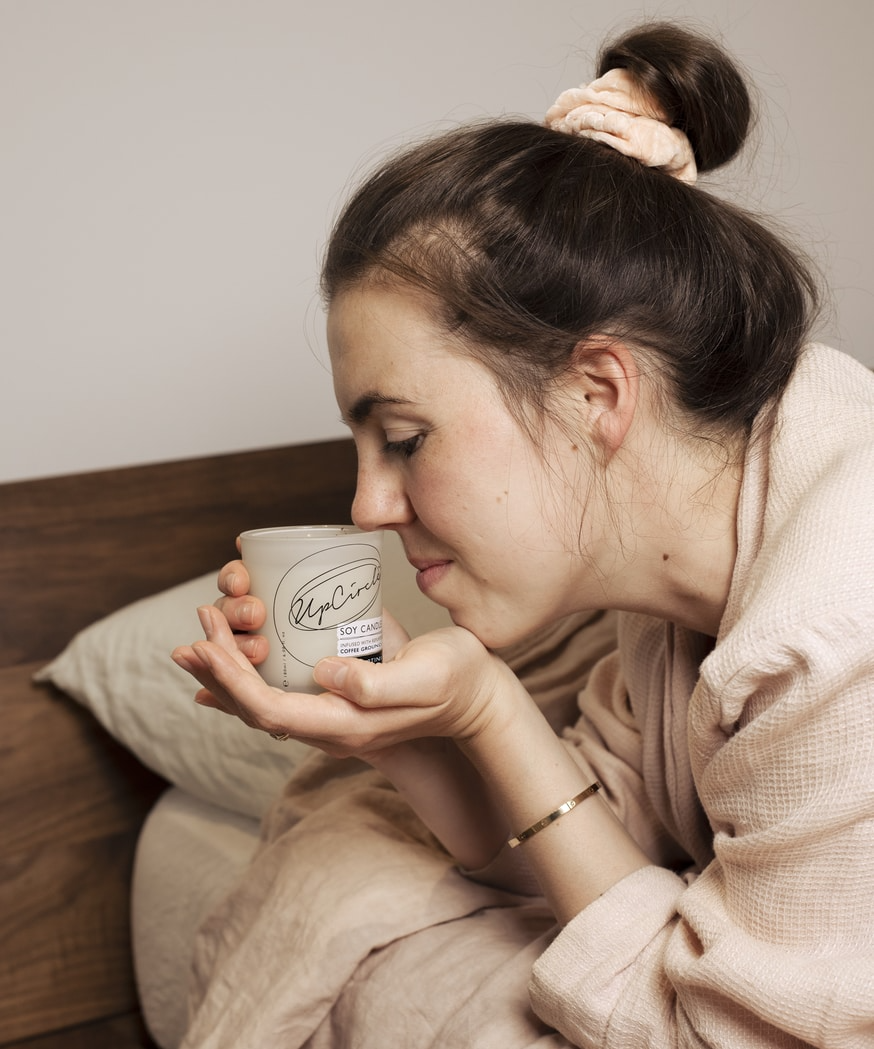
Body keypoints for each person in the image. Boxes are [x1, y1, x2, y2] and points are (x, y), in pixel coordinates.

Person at [171, 20, 874, 1048]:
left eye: (404, 438)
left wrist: (488, 705)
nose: (368, 507)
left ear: (597, 391)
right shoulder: (681, 562)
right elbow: (600, 837)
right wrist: (433, 720)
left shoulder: (835, 628)